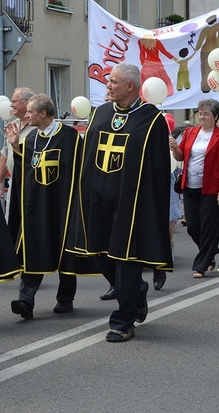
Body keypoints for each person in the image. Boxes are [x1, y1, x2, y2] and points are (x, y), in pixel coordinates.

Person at [67, 63, 172, 342]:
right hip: (99, 200)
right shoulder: (100, 114)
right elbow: (88, 157)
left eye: (113, 82)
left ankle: (123, 321)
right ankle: (136, 292)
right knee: (102, 256)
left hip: (132, 203)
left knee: (126, 259)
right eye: (108, 81)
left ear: (130, 86)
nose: (108, 86)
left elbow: (158, 169)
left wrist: (152, 207)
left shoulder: (152, 120)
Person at [7, 94, 81, 318]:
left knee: (64, 249)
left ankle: (65, 298)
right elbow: (26, 172)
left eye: (30, 111)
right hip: (37, 205)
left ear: (43, 113)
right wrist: (16, 148)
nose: (25, 115)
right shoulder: (30, 140)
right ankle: (25, 301)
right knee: (34, 248)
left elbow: (78, 171)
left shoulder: (69, 137)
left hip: (62, 204)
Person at [169, 98, 219, 278]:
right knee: (193, 227)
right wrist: (174, 148)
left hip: (212, 187)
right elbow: (181, 158)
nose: (202, 117)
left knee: (210, 227)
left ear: (215, 116)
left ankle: (200, 266)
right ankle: (209, 252)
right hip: (190, 186)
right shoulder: (190, 132)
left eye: (206, 114)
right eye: (200, 113)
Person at [0, 87, 35, 242]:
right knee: (11, 221)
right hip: (13, 182)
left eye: (14, 101)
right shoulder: (14, 125)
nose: (10, 105)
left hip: (31, 183)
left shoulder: (37, 126)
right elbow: (5, 154)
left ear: (26, 102)